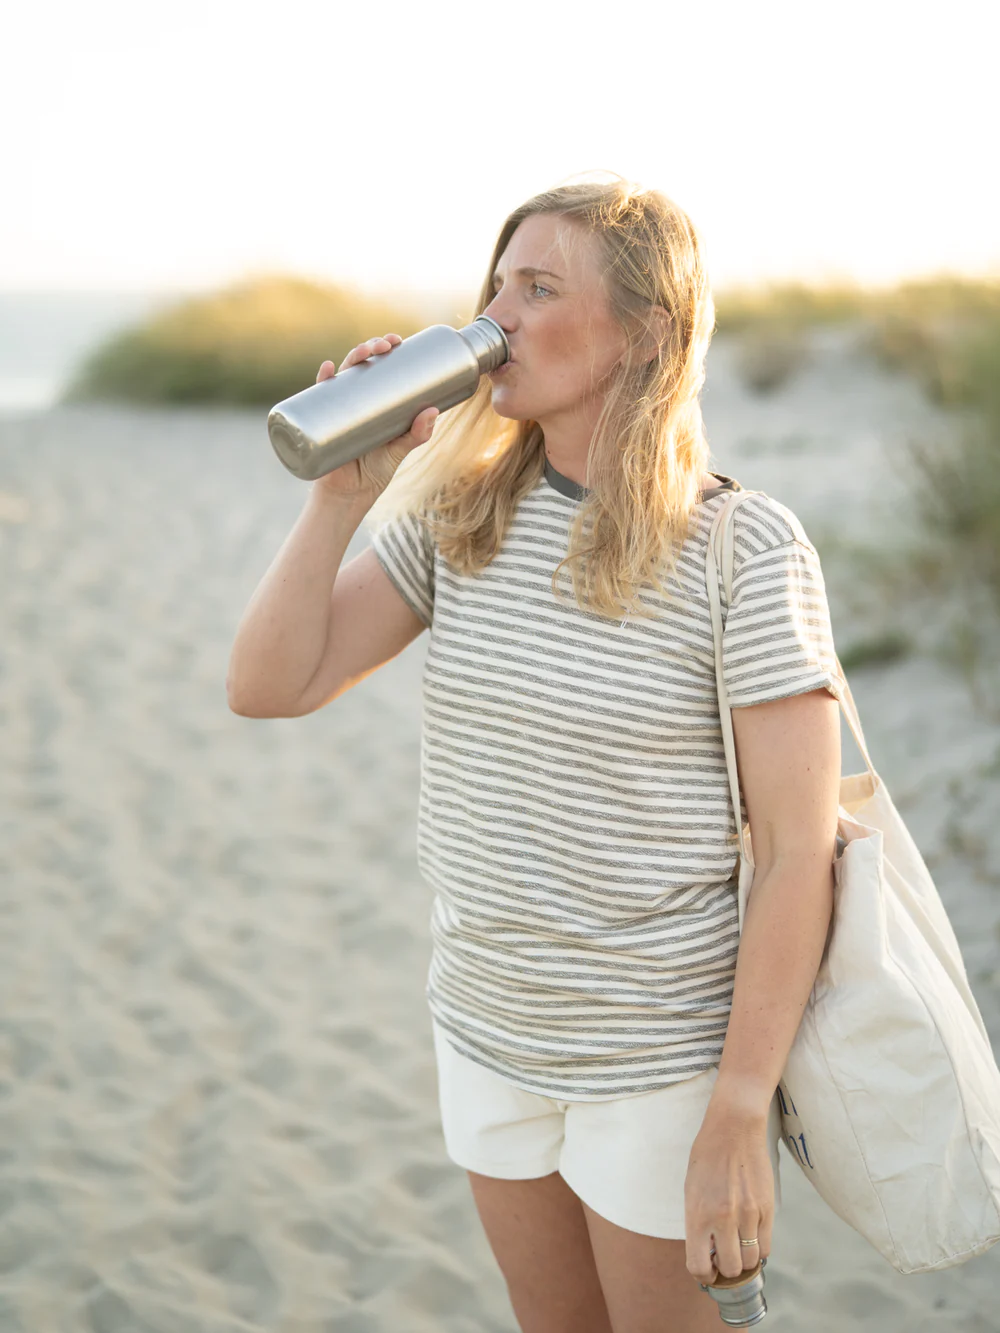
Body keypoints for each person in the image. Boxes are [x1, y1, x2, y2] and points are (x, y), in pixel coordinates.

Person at [227, 177, 843, 1333]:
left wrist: (735, 1109)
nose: (495, 317)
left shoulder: (742, 551)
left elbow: (798, 852)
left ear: (645, 333)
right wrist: (339, 498)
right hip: (486, 1031)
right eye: (496, 285)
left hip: (658, 1064)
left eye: (540, 288)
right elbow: (269, 685)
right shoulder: (458, 520)